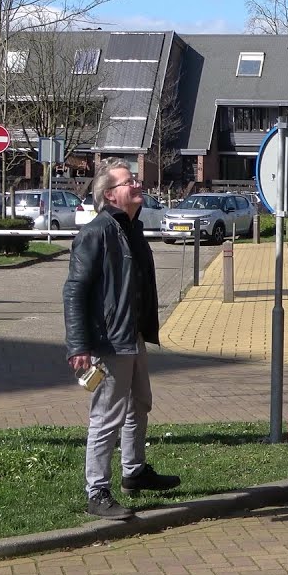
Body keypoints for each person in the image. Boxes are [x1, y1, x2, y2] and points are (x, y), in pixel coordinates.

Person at [63, 158, 180, 520]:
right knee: (106, 416)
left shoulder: (132, 228)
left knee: (140, 403)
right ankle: (96, 491)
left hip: (134, 336)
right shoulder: (96, 232)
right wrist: (79, 345)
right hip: (110, 342)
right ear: (111, 194)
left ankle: (134, 471)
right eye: (130, 182)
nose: (138, 185)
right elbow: (75, 291)